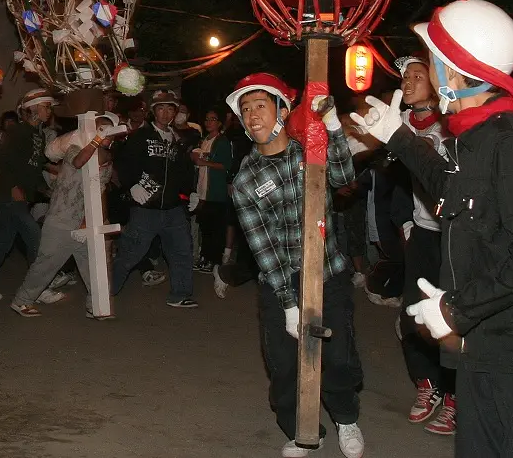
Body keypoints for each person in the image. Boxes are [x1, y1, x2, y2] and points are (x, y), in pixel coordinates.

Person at [353, 0, 513, 458]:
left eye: (435, 63)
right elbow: (451, 192)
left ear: (456, 73)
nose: (432, 73)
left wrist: (458, 309)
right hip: (491, 343)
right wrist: (398, 136)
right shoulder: (477, 135)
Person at [229, 73, 365, 458]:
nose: (252, 115)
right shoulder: (244, 181)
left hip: (329, 273)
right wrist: (289, 302)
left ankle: (346, 418)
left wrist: (334, 126)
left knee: (337, 358)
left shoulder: (311, 153)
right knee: (284, 366)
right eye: (245, 109)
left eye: (260, 104)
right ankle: (302, 431)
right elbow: (262, 247)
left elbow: (343, 176)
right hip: (280, 281)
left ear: (282, 110)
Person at [387, 55, 458, 435]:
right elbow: (388, 176)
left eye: (418, 75)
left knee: (451, 313)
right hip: (423, 231)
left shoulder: (454, 124)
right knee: (413, 313)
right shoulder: (398, 122)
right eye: (405, 77)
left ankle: (454, 396)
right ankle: (426, 384)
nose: (409, 81)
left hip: (457, 233)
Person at [8, 113, 128, 318]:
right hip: (61, 217)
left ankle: (97, 307)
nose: (105, 133)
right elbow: (80, 162)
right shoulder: (75, 149)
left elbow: (100, 191)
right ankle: (22, 301)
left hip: (85, 220)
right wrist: (97, 139)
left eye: (109, 130)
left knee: (94, 266)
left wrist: (94, 220)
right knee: (47, 263)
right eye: (100, 128)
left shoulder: (108, 160)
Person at [110, 89, 198, 308]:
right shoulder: (140, 137)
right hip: (145, 209)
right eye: (161, 108)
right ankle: (105, 293)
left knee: (182, 250)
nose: (166, 113)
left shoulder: (178, 141)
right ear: (153, 111)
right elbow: (124, 164)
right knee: (129, 253)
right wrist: (132, 186)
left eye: (170, 108)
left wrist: (190, 192)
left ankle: (180, 294)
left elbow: (185, 171)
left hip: (173, 208)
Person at [0, 89, 53, 299]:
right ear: (33, 109)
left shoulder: (37, 135)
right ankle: (38, 289)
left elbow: (36, 165)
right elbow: (1, 160)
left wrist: (48, 188)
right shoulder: (17, 132)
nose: (49, 111)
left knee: (2, 243)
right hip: (12, 195)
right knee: (35, 237)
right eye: (46, 107)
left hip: (21, 196)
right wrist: (13, 187)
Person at [191, 108, 234, 273]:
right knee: (205, 227)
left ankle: (214, 261)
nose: (209, 122)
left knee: (215, 229)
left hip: (215, 193)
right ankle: (205, 257)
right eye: (207, 119)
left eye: (213, 119)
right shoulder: (203, 140)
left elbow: (226, 165)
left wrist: (205, 163)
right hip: (203, 191)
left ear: (219, 123)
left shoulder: (222, 141)